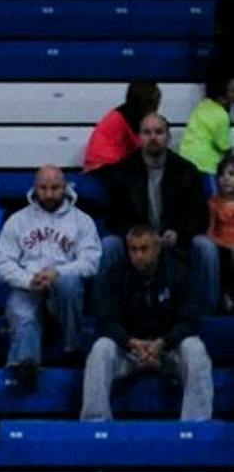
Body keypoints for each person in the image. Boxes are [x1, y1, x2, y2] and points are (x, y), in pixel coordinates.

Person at [80, 225, 212, 422]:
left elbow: (190, 320)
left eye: (144, 249)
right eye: (133, 249)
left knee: (195, 348)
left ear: (158, 249)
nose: (138, 255)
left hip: (168, 351)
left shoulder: (180, 272)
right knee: (101, 348)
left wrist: (163, 343)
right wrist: (131, 342)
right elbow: (107, 321)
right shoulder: (115, 274)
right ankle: (95, 423)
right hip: (130, 351)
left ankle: (196, 423)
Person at [98, 111, 220, 314]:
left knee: (206, 248)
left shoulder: (187, 171)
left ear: (168, 137)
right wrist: (134, 232)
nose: (153, 137)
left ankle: (206, 316)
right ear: (139, 137)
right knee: (109, 246)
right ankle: (104, 315)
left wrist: (179, 232)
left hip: (175, 242)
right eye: (147, 132)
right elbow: (114, 216)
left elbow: (200, 216)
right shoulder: (122, 171)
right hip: (136, 243)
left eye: (159, 132)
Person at [0, 165, 102, 391]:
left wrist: (58, 273)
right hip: (28, 287)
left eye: (55, 187)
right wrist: (28, 280)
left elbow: (91, 262)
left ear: (65, 187)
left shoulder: (81, 221)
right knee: (20, 309)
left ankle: (72, 348)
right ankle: (26, 365)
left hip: (64, 288)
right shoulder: (17, 221)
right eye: (44, 188)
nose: (50, 193)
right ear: (35, 188)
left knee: (70, 283)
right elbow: (3, 264)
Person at [83, 81, 161, 173]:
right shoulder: (131, 118)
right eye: (155, 103)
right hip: (102, 168)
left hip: (101, 167)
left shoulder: (125, 114)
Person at [176, 71, 233, 179]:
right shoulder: (221, 116)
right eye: (232, 91)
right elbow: (225, 148)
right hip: (206, 166)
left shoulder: (202, 105)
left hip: (185, 163)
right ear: (222, 97)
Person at [209, 155, 234, 313]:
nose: (226, 179)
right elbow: (209, 232)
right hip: (222, 246)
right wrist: (226, 245)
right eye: (222, 175)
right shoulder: (213, 203)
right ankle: (226, 297)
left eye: (231, 174)